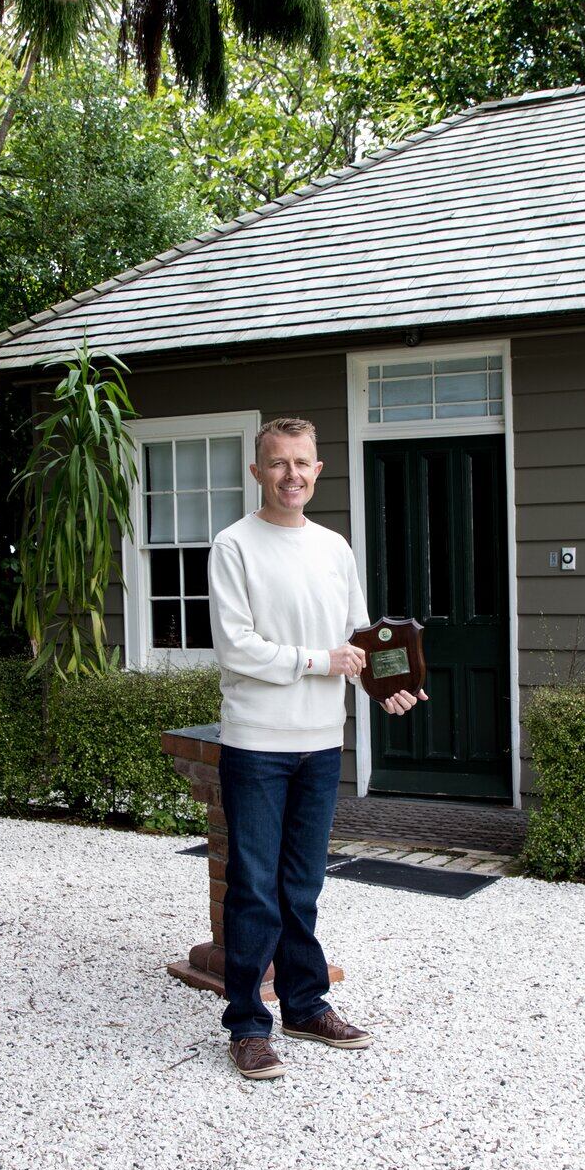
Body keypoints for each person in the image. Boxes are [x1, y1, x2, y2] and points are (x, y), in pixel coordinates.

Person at [206, 416, 425, 1081]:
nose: (291, 475)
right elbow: (236, 647)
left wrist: (381, 688)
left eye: (303, 462)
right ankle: (248, 1024)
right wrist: (317, 660)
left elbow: (356, 642)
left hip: (320, 743)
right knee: (253, 890)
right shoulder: (233, 545)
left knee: (301, 885)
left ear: (318, 470)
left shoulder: (335, 548)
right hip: (256, 743)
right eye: (278, 463)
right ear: (257, 472)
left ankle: (304, 1003)